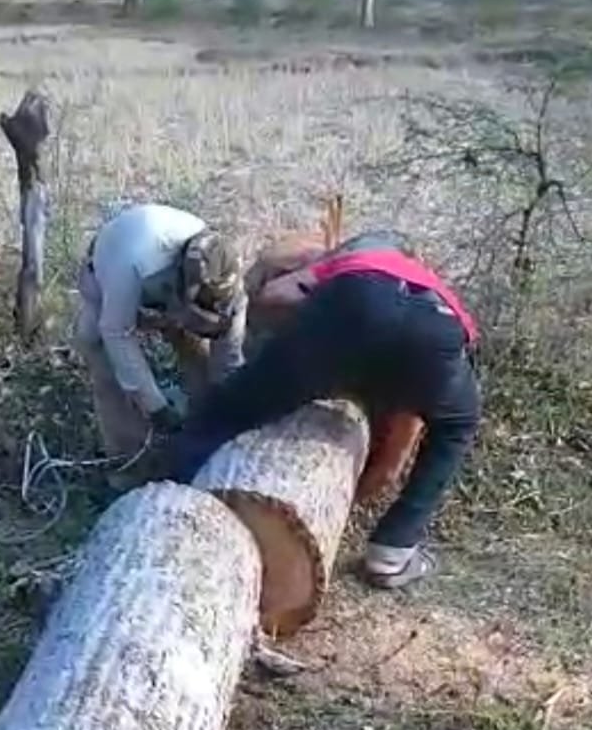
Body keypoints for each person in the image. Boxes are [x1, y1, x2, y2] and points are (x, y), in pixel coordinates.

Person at [162, 231, 480, 589]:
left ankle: (176, 496)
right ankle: (392, 551)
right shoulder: (431, 282)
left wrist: (297, 341)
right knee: (458, 426)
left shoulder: (352, 260)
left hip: (357, 302)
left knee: (225, 409)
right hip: (439, 330)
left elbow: (275, 294)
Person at [72, 203, 247, 460]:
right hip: (108, 277)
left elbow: (229, 360)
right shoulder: (130, 265)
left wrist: (232, 403)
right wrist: (157, 408)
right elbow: (117, 334)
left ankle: (201, 419)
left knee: (201, 366)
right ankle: (129, 460)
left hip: (166, 289)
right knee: (100, 352)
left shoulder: (226, 281)